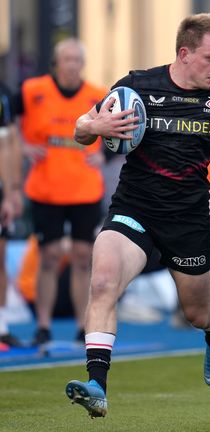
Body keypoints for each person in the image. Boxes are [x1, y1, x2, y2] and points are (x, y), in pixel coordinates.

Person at [66, 13, 210, 418]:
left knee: (196, 312)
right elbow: (84, 130)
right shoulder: (136, 85)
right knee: (102, 280)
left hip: (189, 220)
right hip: (133, 210)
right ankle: (97, 386)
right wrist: (91, 123)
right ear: (185, 53)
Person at [16, 38, 107, 348]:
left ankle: (84, 327)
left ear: (82, 63)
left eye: (76, 60)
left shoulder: (97, 95)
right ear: (56, 63)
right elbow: (7, 121)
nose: (71, 65)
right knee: (49, 257)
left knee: (83, 258)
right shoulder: (33, 91)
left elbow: (126, 129)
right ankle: (43, 325)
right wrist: (20, 146)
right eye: (66, 59)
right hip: (46, 189)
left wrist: (106, 155)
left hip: (84, 189)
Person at [0, 81, 23, 349]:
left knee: (0, 256)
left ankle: (2, 325)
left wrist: (11, 192)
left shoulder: (3, 93)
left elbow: (7, 143)